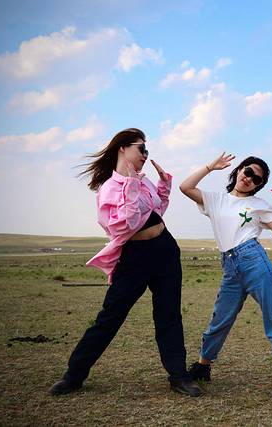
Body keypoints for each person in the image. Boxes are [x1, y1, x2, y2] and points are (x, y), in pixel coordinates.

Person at [49, 128, 202, 397]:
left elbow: (155, 212)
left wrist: (163, 186)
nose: (145, 155)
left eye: (147, 150)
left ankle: (179, 376)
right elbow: (124, 227)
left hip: (165, 249)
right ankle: (74, 376)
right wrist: (130, 186)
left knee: (169, 314)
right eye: (141, 148)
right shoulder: (109, 188)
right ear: (123, 148)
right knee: (111, 316)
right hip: (134, 256)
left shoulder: (144, 181)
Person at [179, 152, 272, 398]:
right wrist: (210, 166)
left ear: (258, 186)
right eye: (248, 171)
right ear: (238, 170)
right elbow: (185, 187)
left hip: (254, 261)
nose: (249, 179)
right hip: (230, 265)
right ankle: (203, 366)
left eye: (257, 179)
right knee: (220, 319)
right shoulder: (216, 200)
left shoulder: (259, 205)